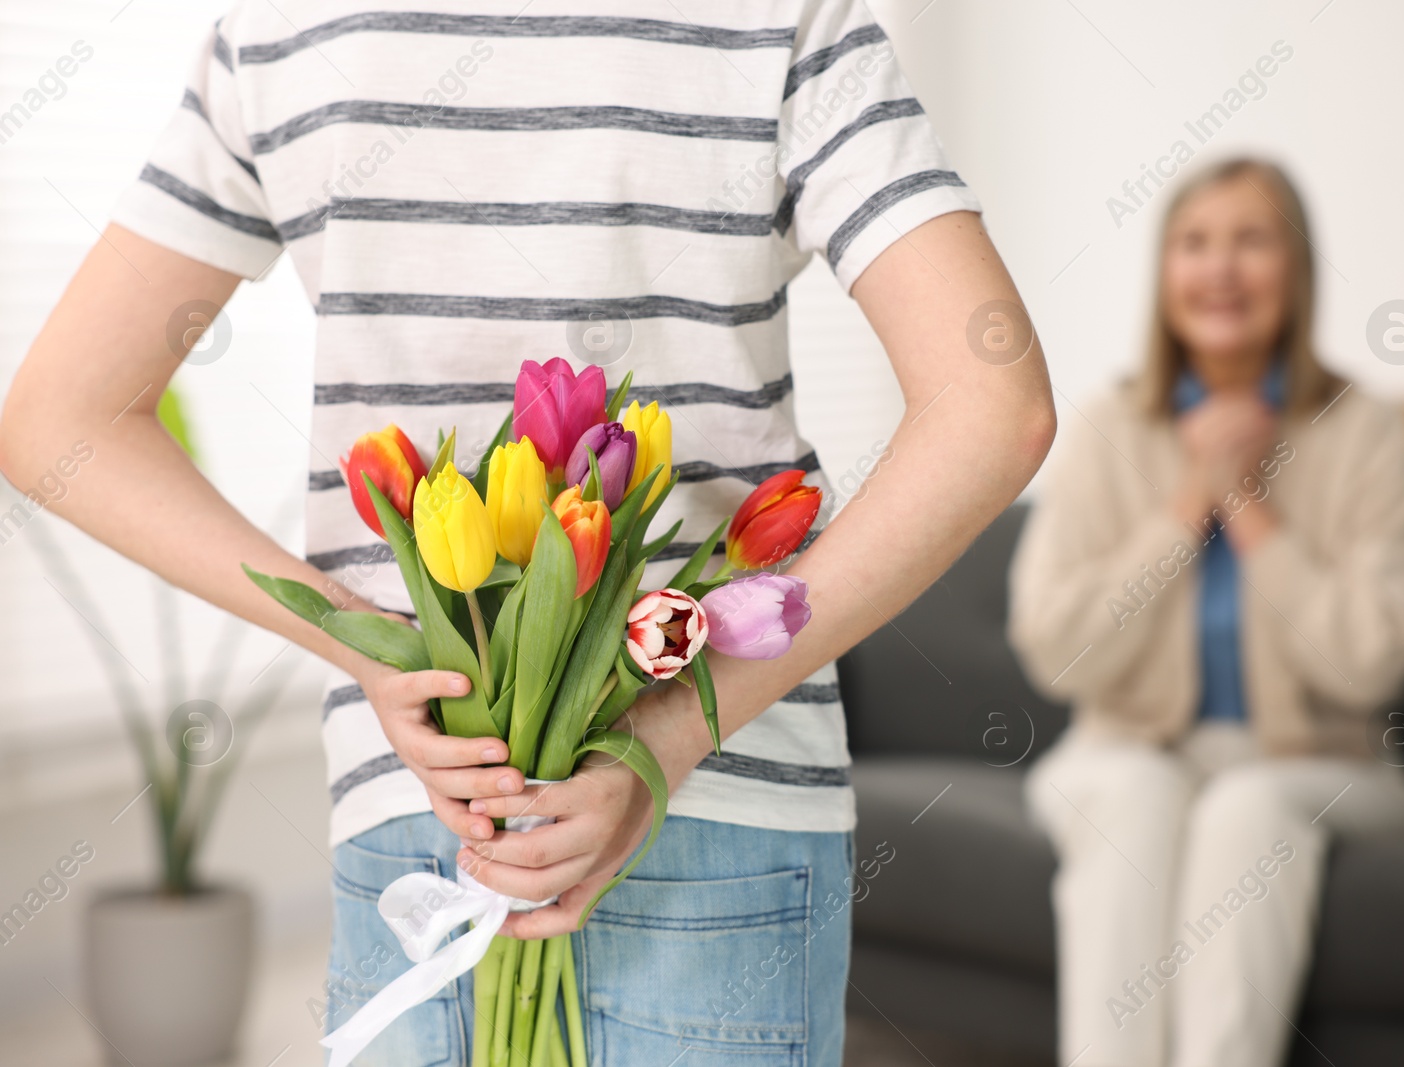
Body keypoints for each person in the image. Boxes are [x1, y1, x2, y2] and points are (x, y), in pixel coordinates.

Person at [0, 5, 1055, 1064]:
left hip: (425, 794)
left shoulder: (283, 27)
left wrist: (369, 645)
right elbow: (994, 407)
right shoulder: (779, 16)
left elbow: (60, 422)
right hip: (728, 791)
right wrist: (668, 739)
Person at [1008, 158, 1404, 1067]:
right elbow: (1058, 652)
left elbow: (1372, 663)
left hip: (1322, 761)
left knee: (1246, 805)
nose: (1221, 269)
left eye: (1252, 239)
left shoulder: (1363, 432)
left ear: (1299, 268)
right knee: (1133, 795)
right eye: (1195, 243)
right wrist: (1183, 506)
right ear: (1165, 275)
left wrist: (1246, 502)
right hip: (1124, 747)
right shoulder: (1110, 430)